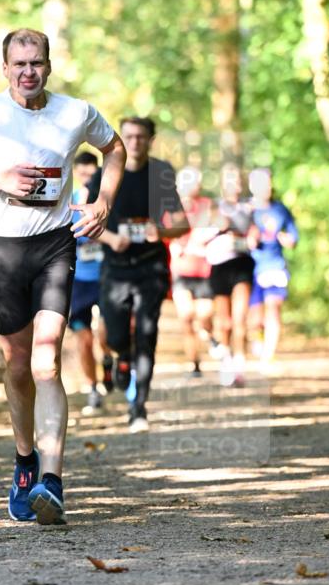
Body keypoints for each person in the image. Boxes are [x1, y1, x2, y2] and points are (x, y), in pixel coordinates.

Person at [0, 28, 125, 525]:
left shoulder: (75, 112)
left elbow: (115, 149)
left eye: (36, 62)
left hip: (55, 244)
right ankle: (25, 462)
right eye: (19, 64)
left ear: (49, 66)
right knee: (17, 365)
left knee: (46, 361)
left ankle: (52, 482)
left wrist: (103, 202)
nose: (28, 72)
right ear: (5, 68)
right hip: (3, 249)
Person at [87, 117, 189, 432]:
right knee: (116, 336)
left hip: (150, 267)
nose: (134, 142)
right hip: (115, 268)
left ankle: (139, 407)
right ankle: (122, 356)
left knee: (147, 334)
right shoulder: (105, 173)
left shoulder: (161, 174)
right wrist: (111, 238)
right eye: (128, 136)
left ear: (150, 140)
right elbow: (86, 223)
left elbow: (183, 223)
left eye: (140, 137)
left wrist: (161, 231)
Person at [68, 152, 113, 413]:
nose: (86, 177)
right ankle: (93, 389)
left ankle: (107, 359)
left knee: (107, 335)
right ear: (75, 172)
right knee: (84, 339)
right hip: (78, 281)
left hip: (106, 277)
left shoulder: (106, 201)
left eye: (91, 172)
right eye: (82, 172)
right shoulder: (68, 202)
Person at [206, 164, 254, 387]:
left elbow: (258, 232)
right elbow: (199, 235)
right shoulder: (214, 206)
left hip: (242, 264)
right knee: (224, 321)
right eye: (229, 180)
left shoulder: (249, 207)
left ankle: (240, 364)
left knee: (240, 318)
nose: (234, 184)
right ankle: (226, 361)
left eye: (237, 179)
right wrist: (217, 227)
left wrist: (253, 236)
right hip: (220, 266)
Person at [169, 166, 220, 376]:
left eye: (194, 182)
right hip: (181, 271)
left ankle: (210, 336)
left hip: (204, 271)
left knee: (204, 316)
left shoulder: (207, 205)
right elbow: (165, 234)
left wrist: (205, 237)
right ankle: (194, 364)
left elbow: (219, 227)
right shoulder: (172, 207)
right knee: (186, 317)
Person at [247, 167, 298, 373]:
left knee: (273, 309)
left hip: (274, 266)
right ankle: (258, 338)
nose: (266, 187)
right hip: (250, 269)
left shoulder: (280, 210)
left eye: (268, 182)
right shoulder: (247, 210)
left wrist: (288, 240)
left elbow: (293, 237)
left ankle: (267, 357)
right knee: (254, 319)